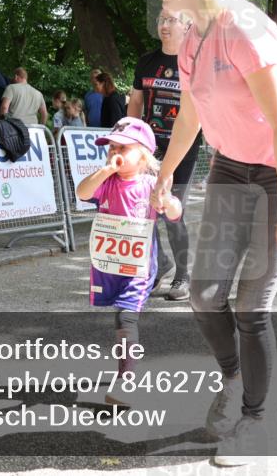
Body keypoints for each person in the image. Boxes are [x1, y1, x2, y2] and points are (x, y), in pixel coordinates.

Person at [148, 0, 277, 466]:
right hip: (232, 165)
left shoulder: (247, 30)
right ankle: (233, 378)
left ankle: (254, 421)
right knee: (205, 294)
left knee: (252, 302)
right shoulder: (192, 38)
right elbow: (191, 115)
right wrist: (165, 174)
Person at [75, 117, 182, 407]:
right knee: (119, 316)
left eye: (123, 148)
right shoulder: (105, 182)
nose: (115, 152)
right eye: (111, 147)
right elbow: (82, 193)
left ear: (143, 155)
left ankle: (127, 379)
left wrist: (169, 202)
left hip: (139, 268)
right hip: (109, 265)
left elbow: (175, 213)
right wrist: (106, 170)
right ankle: (127, 368)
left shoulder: (150, 185)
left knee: (126, 317)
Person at [128, 8, 200, 301]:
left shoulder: (195, 63)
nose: (164, 25)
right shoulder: (147, 61)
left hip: (183, 147)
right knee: (143, 210)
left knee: (172, 210)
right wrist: (130, 138)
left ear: (187, 26)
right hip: (150, 147)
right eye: (161, 20)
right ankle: (161, 264)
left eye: (171, 20)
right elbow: (135, 102)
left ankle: (183, 275)